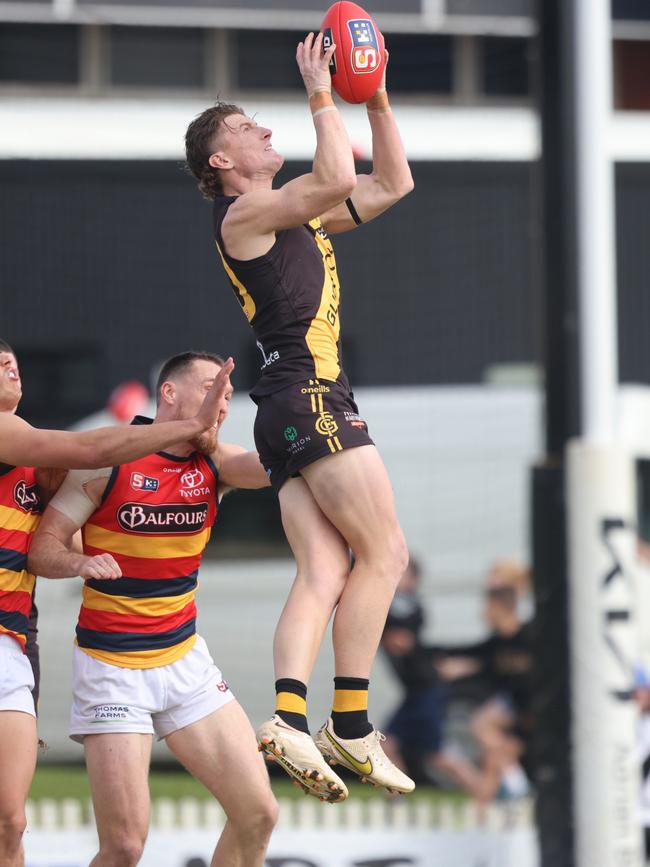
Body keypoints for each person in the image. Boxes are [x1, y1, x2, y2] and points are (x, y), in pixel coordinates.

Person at [184, 32, 414, 800]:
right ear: (221, 162)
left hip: (283, 405)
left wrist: (374, 95)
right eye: (247, 128)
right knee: (386, 554)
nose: (265, 131)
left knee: (324, 569)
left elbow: (391, 182)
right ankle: (350, 723)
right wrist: (321, 89)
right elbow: (333, 172)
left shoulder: (292, 216)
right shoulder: (248, 212)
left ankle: (288, 714)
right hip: (312, 395)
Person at [28, 350, 278, 867]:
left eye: (228, 394)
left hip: (184, 661)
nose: (222, 400)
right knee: (123, 847)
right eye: (212, 387)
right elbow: (42, 548)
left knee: (259, 814)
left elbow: (275, 467)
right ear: (170, 394)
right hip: (112, 667)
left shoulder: (214, 462)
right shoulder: (108, 460)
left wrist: (306, 419)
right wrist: (80, 564)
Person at [437, 559, 534, 800]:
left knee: (483, 726)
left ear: (499, 607)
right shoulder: (495, 644)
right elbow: (476, 657)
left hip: (533, 713)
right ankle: (488, 815)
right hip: (514, 716)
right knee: (494, 758)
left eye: (487, 605)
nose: (482, 612)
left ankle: (515, 787)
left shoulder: (531, 637)